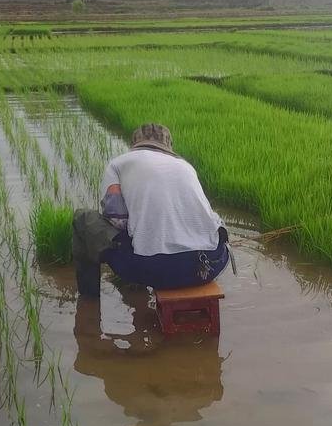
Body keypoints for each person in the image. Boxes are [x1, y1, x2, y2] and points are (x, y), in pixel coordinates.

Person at [72, 123, 230, 297]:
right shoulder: (186, 166)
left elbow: (116, 217)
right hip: (212, 263)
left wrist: (142, 220)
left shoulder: (118, 164)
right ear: (169, 146)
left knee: (82, 218)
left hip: (154, 270)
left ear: (134, 145)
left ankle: (88, 303)